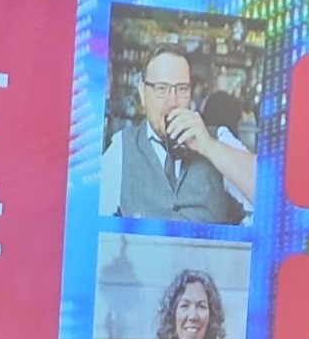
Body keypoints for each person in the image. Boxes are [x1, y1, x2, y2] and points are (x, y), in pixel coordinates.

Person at [101, 44, 254, 224]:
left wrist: (208, 146)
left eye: (181, 89)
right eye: (161, 88)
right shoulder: (122, 148)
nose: (172, 102)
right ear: (143, 93)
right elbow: (85, 223)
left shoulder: (218, 137)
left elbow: (271, 195)